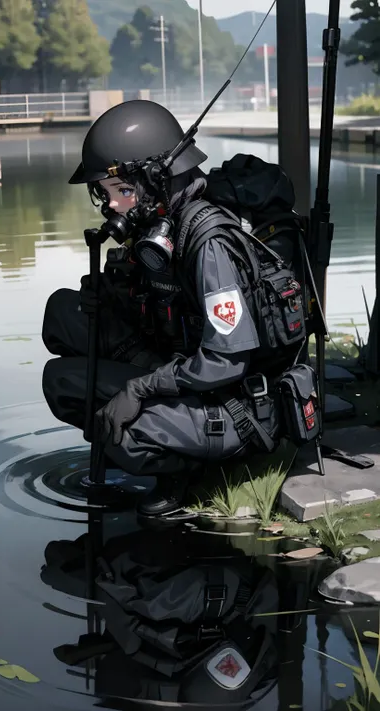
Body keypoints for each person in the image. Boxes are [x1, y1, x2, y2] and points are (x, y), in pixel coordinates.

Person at [42, 99, 307, 518]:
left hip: (237, 403)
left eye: (123, 191)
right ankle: (164, 438)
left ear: (157, 180)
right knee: (63, 315)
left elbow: (226, 360)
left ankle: (185, 473)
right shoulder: (163, 222)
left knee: (101, 412)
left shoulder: (208, 242)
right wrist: (106, 295)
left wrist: (140, 388)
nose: (112, 205)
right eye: (107, 193)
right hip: (187, 366)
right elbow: (159, 300)